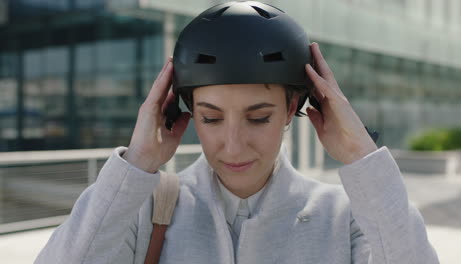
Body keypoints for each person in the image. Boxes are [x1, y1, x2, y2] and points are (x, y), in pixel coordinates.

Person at [35, 1, 439, 263]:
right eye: (211, 119)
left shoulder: (347, 217)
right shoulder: (143, 212)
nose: (233, 145)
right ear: (186, 112)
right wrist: (137, 164)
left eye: (258, 117)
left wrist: (361, 159)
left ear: (292, 108)